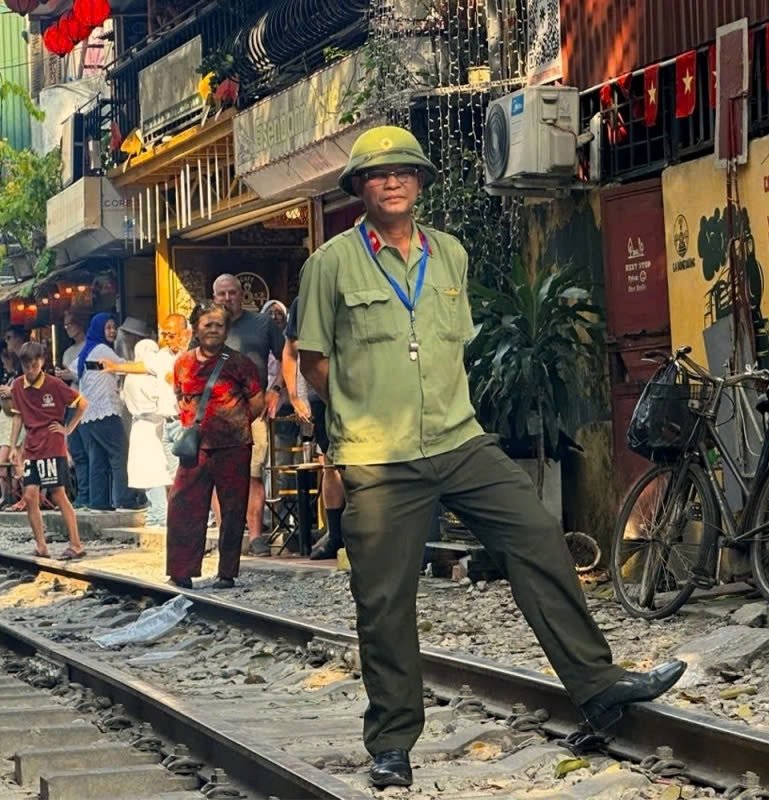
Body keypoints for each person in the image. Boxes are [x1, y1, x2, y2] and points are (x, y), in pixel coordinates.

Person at [294, 125, 686, 788]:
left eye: (404, 171)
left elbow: (452, 344)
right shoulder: (330, 264)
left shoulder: (449, 254)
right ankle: (391, 743)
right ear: (359, 187)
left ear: (419, 184)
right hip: (381, 457)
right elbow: (314, 363)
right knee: (384, 600)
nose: (392, 181)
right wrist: (359, 420)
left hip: (459, 439)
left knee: (536, 533)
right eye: (378, 173)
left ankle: (598, 685)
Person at [167, 303, 263, 590]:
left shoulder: (239, 363)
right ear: (196, 327)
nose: (212, 329)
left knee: (233, 509)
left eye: (218, 325)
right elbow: (180, 397)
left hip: (233, 446)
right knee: (182, 505)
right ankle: (181, 571)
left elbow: (256, 402)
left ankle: (227, 572)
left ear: (226, 329)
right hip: (195, 448)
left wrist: (234, 423)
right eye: (207, 324)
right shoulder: (182, 363)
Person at [210, 274, 284, 555]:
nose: (227, 298)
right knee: (219, 477)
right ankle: (225, 535)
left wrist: (275, 388)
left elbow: (287, 356)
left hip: (253, 410)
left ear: (242, 295)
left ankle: (255, 536)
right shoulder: (210, 325)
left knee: (253, 474)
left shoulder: (262, 324)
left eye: (232, 293)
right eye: (221, 294)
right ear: (214, 297)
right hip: (217, 413)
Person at [9, 341, 88, 559]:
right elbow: (17, 416)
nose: (31, 370)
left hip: (52, 443)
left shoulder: (54, 384)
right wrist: (14, 445)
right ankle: (41, 545)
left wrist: (68, 428)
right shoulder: (17, 386)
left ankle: (76, 543)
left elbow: (82, 403)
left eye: (35, 365)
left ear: (42, 362)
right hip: (32, 444)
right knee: (30, 494)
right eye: (27, 366)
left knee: (57, 493)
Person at [282, 297, 347, 560]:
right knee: (330, 464)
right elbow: (290, 349)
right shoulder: (304, 300)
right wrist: (295, 395)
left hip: (361, 390)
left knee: (359, 465)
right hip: (320, 393)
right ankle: (335, 534)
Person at [76, 313, 131, 512]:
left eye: (113, 327)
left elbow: (74, 368)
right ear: (99, 329)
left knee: (97, 458)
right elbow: (123, 367)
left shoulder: (87, 350)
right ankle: (126, 499)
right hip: (104, 410)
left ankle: (98, 501)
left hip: (88, 414)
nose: (112, 331)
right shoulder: (101, 349)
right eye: (108, 328)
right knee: (120, 453)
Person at [120, 339, 172, 527]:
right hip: (153, 424)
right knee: (157, 470)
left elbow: (123, 400)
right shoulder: (147, 377)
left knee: (147, 471)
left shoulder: (129, 377)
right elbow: (161, 397)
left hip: (138, 425)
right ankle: (160, 510)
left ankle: (156, 510)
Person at [57, 310, 92, 508]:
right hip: (71, 401)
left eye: (70, 324)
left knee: (89, 449)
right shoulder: (68, 352)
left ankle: (91, 493)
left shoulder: (89, 347)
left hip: (85, 400)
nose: (68, 328)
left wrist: (70, 375)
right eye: (65, 325)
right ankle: (82, 492)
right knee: (76, 450)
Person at [0, 332, 26, 510]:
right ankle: (7, 496)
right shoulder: (10, 378)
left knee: (14, 461)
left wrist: (10, 393)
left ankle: (18, 497)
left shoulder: (21, 379)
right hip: (6, 421)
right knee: (4, 462)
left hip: (16, 422)